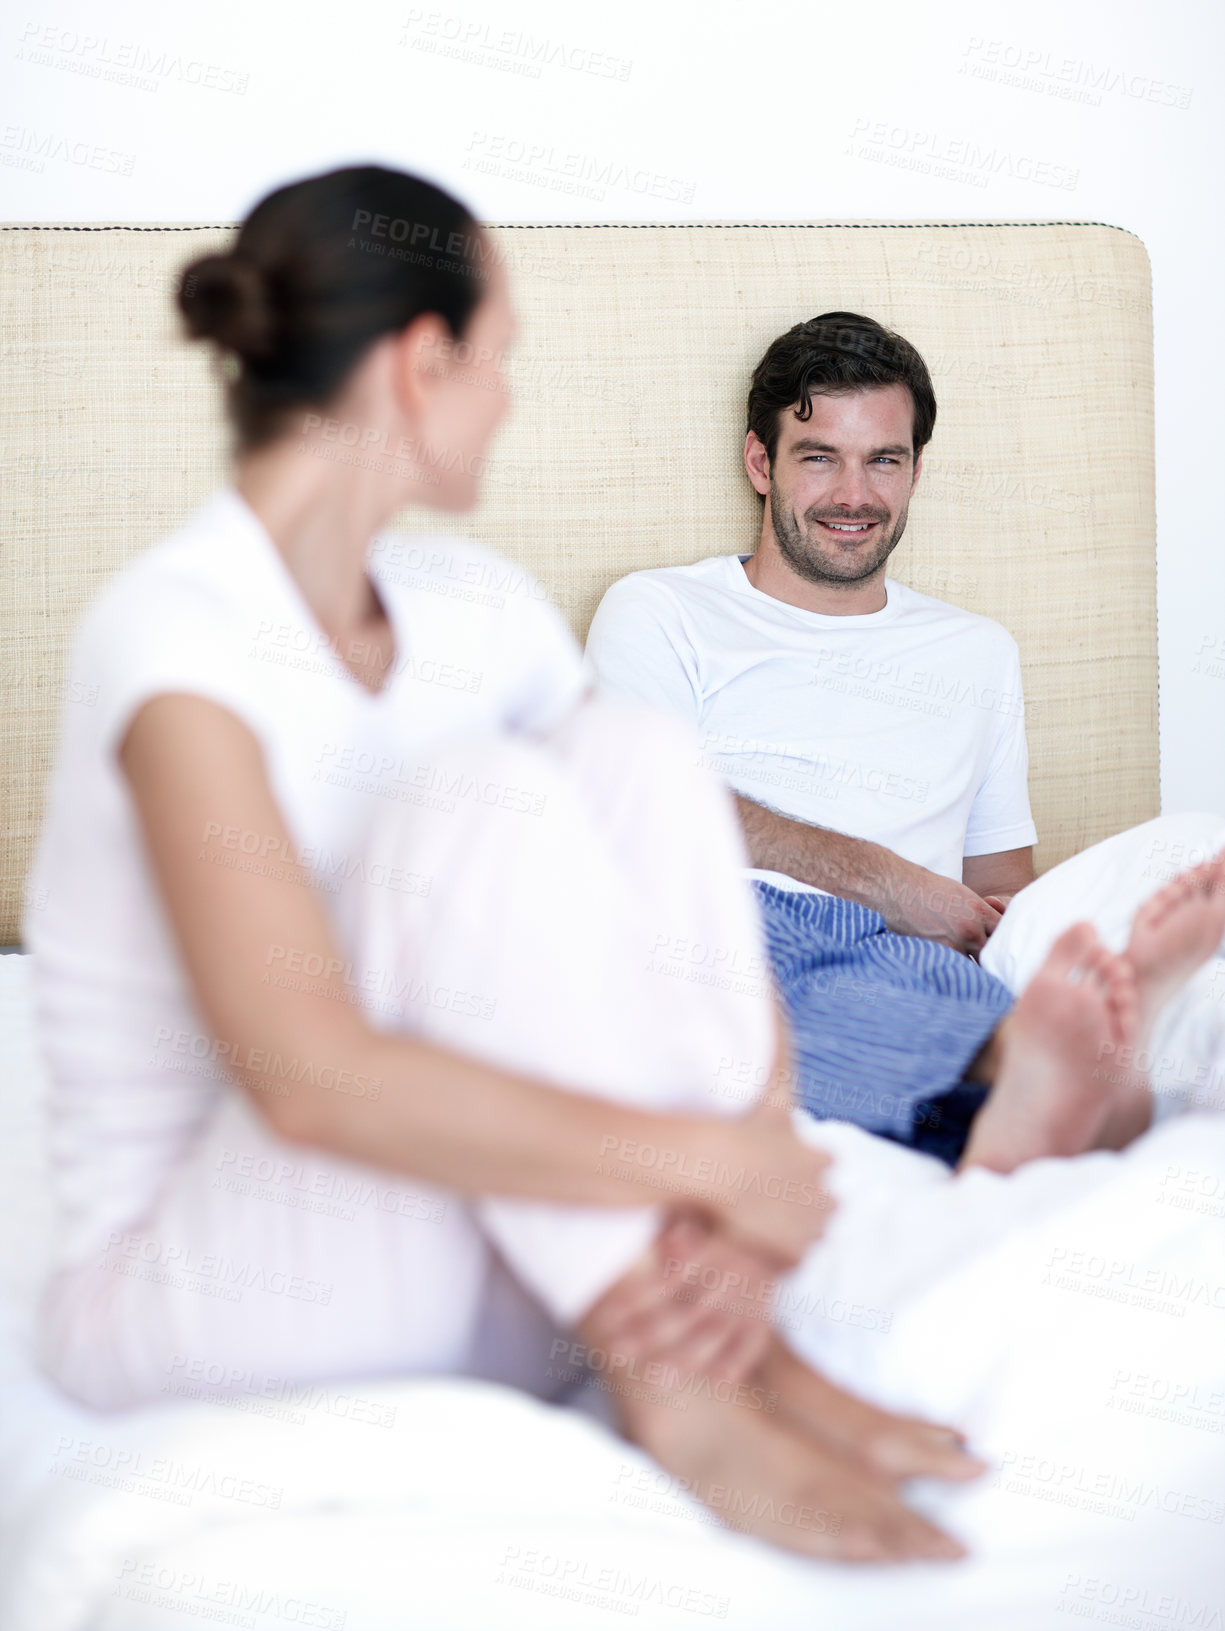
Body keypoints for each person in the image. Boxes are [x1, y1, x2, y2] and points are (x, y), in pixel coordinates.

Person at [22, 168, 1225, 1571]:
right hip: (230, 1277)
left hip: (489, 1265)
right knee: (484, 794)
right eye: (501, 358)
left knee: (638, 765)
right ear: (422, 366)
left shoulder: (471, 609)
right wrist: (702, 1156)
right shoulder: (174, 639)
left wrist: (748, 1181)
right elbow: (309, 1076)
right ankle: (692, 1392)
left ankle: (725, 1325)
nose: (509, 397)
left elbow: (664, 866)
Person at [582, 311, 1164, 1166]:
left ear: (915, 470)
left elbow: (997, 893)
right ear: (759, 463)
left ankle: (1033, 1088)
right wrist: (888, 882)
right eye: (818, 457)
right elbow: (644, 812)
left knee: (957, 982)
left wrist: (987, 925)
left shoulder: (975, 652)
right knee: (739, 964)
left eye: (882, 460)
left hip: (914, 962)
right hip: (729, 920)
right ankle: (1034, 1084)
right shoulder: (662, 611)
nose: (853, 495)